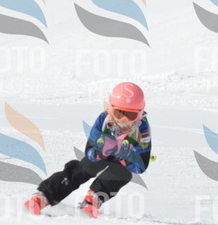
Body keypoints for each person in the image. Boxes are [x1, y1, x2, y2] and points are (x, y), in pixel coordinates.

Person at [24, 82, 152, 218]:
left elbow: (141, 165)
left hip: (122, 161)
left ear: (140, 114)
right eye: (119, 113)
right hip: (101, 153)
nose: (124, 120)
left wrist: (126, 157)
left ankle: (94, 199)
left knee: (122, 174)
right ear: (110, 109)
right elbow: (89, 149)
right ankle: (44, 196)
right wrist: (99, 153)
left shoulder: (142, 130)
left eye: (131, 115)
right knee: (85, 167)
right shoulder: (104, 120)